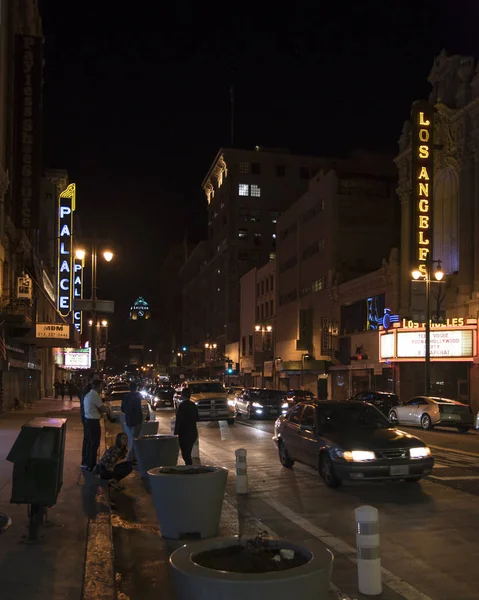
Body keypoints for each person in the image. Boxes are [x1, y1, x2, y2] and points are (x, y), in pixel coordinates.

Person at [83, 379, 107, 471]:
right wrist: (106, 410)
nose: (102, 387)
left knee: (90, 443)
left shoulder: (89, 394)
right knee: (94, 443)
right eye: (101, 385)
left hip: (88, 421)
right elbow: (103, 409)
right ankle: (92, 465)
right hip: (93, 422)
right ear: (98, 386)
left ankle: (89, 462)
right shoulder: (95, 395)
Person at [174, 387, 199, 465]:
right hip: (192, 432)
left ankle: (189, 468)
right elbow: (197, 418)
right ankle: (189, 467)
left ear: (183, 395)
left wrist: (176, 432)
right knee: (188, 452)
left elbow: (179, 420)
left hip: (184, 433)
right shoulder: (193, 405)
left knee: (185, 454)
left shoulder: (182, 406)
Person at [121, 382, 143, 462]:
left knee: (132, 438)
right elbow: (139, 408)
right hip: (137, 420)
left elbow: (122, 409)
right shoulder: (138, 396)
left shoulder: (126, 396)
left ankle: (134, 456)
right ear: (136, 387)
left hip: (128, 420)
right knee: (135, 439)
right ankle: (130, 456)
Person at [80, 374, 94, 468]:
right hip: (88, 418)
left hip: (87, 417)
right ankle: (86, 461)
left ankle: (86, 460)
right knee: (89, 440)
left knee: (88, 440)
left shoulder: (88, 391)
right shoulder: (87, 391)